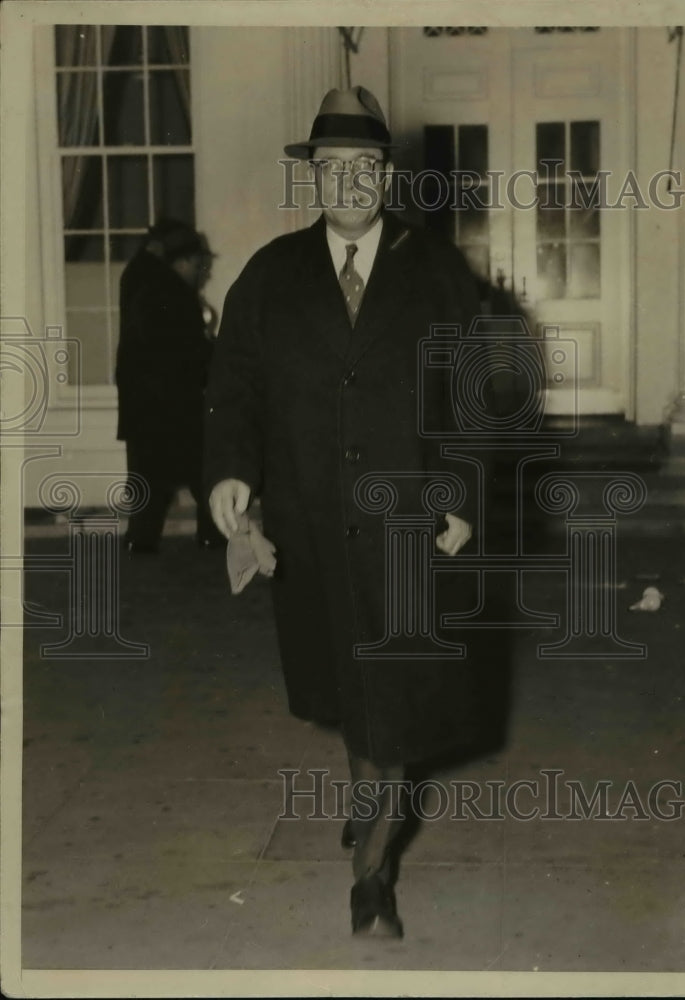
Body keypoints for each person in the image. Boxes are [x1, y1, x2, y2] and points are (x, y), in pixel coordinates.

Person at [205, 87, 503, 937]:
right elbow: (234, 386)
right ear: (313, 177)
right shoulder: (271, 274)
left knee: (393, 702)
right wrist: (230, 472)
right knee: (352, 687)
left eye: (363, 166)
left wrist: (461, 495)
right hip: (311, 524)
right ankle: (368, 800)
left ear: (386, 176)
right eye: (331, 167)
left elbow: (473, 395)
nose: (347, 182)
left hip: (409, 524)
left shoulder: (435, 271)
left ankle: (371, 874)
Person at [116, 219, 224, 552]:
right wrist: (220, 356)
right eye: (199, 265)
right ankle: (212, 534)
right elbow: (188, 349)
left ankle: (141, 540)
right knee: (204, 467)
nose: (202, 273)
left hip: (144, 400)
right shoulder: (172, 291)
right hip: (172, 401)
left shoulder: (139, 277)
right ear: (184, 261)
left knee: (148, 477)